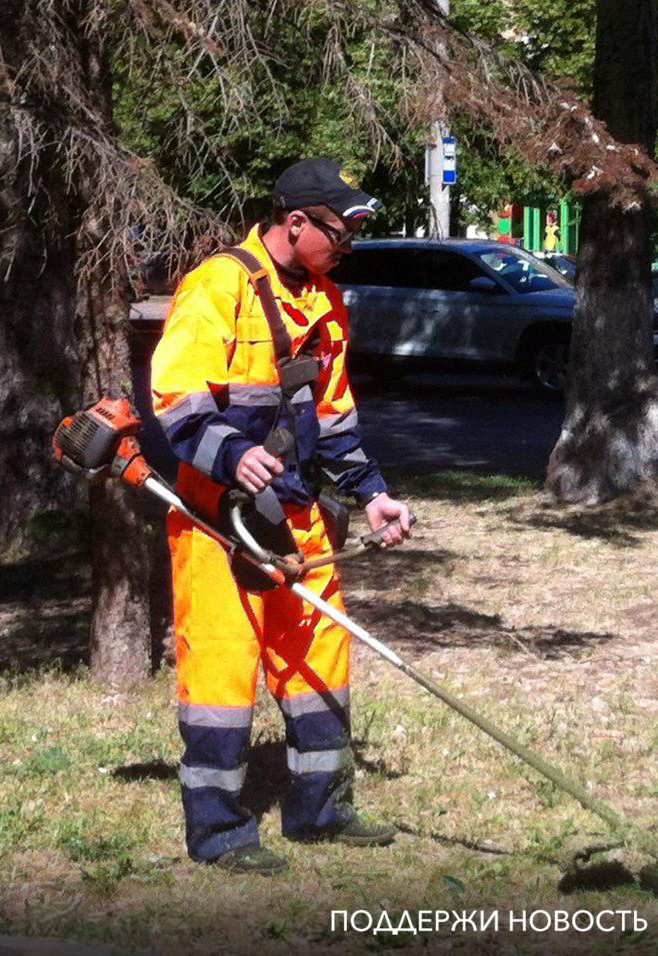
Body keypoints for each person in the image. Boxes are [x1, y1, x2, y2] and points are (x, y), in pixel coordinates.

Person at [151, 158, 413, 874]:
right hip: (219, 523)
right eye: (339, 233)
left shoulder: (326, 302)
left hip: (299, 517)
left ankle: (319, 811)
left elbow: (334, 419)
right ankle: (220, 833)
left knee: (317, 660)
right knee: (222, 675)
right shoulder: (219, 286)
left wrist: (372, 494)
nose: (346, 248)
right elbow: (176, 398)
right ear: (295, 222)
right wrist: (233, 455)